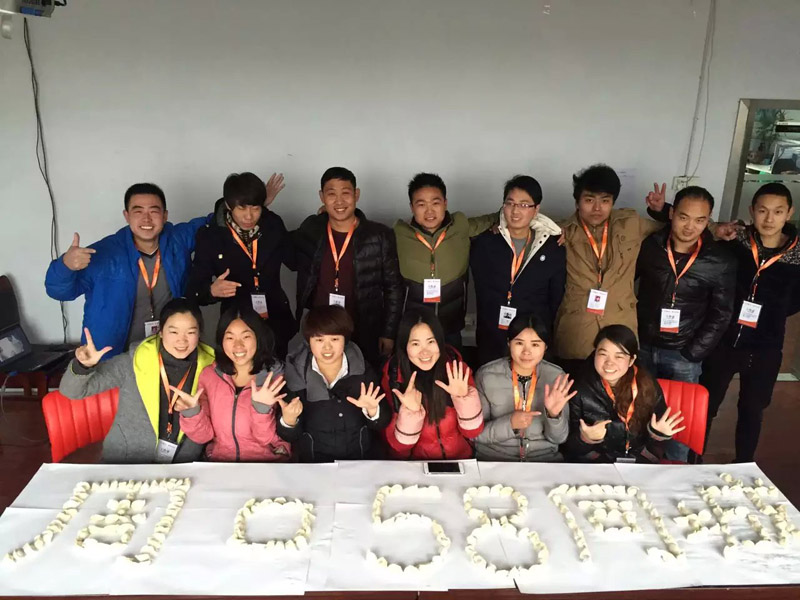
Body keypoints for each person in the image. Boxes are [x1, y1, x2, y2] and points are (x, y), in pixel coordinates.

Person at [701, 183, 800, 463]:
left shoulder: (797, 255)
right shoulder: (736, 240)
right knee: (706, 406)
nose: (769, 219)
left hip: (766, 347)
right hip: (724, 341)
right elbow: (696, 227)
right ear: (751, 211)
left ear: (789, 213)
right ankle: (692, 461)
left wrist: (772, 314)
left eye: (778, 212)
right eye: (762, 211)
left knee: (752, 410)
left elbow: (795, 301)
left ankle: (743, 464)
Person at [59, 298, 215, 463]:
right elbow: (71, 391)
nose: (182, 340)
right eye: (174, 332)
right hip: (126, 461)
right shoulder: (133, 362)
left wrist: (193, 414)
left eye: (190, 332)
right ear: (161, 332)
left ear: (199, 333)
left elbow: (214, 431)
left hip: (183, 466)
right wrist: (83, 366)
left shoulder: (212, 370)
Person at [554, 165, 668, 373]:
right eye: (589, 200)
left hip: (620, 327)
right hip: (577, 330)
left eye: (605, 201)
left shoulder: (631, 224)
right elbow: (519, 225)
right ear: (577, 202)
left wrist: (663, 210)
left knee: (619, 389)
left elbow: (681, 226)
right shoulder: (560, 231)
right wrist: (495, 225)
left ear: (613, 202)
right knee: (573, 387)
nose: (597, 208)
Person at [292, 167, 403, 368]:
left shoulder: (379, 235)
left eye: (345, 193)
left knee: (364, 378)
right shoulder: (311, 229)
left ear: (356, 195)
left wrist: (389, 333)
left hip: (365, 328)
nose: (339, 201)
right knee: (321, 380)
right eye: (331, 194)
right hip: (321, 329)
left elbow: (393, 288)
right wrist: (261, 206)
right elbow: (282, 249)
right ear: (322, 197)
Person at [186, 172, 296, 358]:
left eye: (255, 208)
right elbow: (194, 289)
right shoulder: (211, 237)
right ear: (229, 206)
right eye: (242, 208)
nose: (249, 216)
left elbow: (294, 260)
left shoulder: (272, 224)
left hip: (275, 321)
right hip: (236, 325)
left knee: (277, 371)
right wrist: (211, 290)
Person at [635, 186, 736, 382]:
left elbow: (722, 313)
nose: (690, 227)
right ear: (671, 213)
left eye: (700, 220)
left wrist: (693, 352)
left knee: (681, 403)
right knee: (639, 401)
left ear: (708, 220)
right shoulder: (651, 246)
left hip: (683, 354)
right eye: (684, 217)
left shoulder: (720, 261)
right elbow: (624, 283)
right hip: (643, 346)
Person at [173, 304, 292, 462]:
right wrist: (192, 413)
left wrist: (262, 410)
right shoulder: (210, 376)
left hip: (267, 465)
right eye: (230, 337)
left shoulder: (276, 377)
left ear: (258, 337)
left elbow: (266, 438)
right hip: (221, 464)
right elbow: (203, 437)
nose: (238, 345)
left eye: (246, 337)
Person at [393, 172, 498, 349]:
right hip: (414, 322)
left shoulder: (460, 225)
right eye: (421, 204)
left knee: (453, 361)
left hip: (451, 321)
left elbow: (495, 218)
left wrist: (500, 225)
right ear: (412, 207)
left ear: (445, 203)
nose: (429, 211)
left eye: (435, 203)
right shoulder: (399, 233)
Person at [470, 175, 565, 366]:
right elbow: (480, 289)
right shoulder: (485, 242)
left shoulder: (552, 247)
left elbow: (555, 297)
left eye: (524, 205)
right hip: (492, 334)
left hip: (532, 336)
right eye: (510, 203)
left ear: (536, 209)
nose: (515, 211)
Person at [277, 305, 391, 462]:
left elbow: (381, 423)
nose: (327, 347)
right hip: (314, 463)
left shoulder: (362, 370)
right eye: (319, 340)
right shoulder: (296, 374)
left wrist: (373, 411)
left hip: (359, 459)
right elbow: (289, 436)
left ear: (345, 340)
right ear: (309, 341)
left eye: (335, 339)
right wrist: (289, 421)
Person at [563, 325, 685, 463]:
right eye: (603, 354)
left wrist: (657, 435)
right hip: (597, 463)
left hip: (638, 460)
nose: (609, 363)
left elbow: (657, 448)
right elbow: (568, 449)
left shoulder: (647, 385)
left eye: (619, 356)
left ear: (631, 360)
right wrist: (585, 439)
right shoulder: (578, 388)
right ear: (595, 353)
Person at [382, 311, 483, 459]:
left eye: (431, 342)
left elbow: (473, 433)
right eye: (415, 344)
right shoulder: (395, 377)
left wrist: (463, 399)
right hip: (418, 465)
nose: (425, 352)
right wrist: (411, 414)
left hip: (460, 459)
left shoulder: (456, 369)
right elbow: (399, 449)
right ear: (404, 346)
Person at [474, 313, 574, 462]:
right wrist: (510, 424)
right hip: (495, 458)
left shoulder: (556, 377)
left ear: (545, 347)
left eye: (535, 344)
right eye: (519, 343)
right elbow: (476, 434)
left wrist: (554, 416)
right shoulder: (486, 376)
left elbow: (560, 438)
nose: (527, 352)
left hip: (543, 460)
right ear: (509, 343)